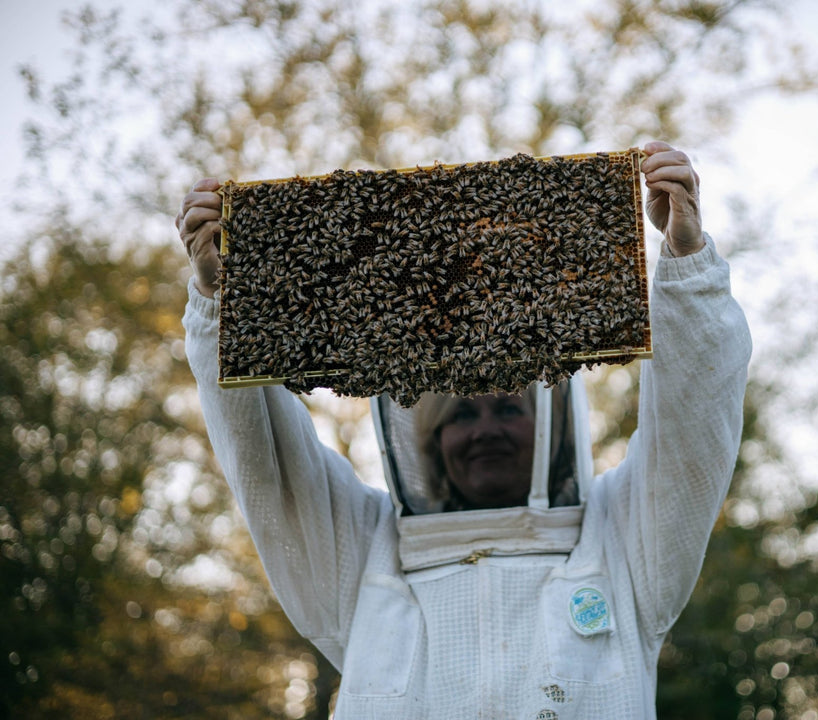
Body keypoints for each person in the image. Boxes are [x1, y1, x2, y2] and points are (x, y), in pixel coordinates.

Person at [177, 141, 752, 719]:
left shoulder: (621, 541)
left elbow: (692, 432)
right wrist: (221, 306)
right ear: (428, 439)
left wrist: (687, 267)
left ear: (552, 424)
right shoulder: (363, 555)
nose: (485, 430)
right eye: (461, 415)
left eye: (506, 409)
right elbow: (266, 465)